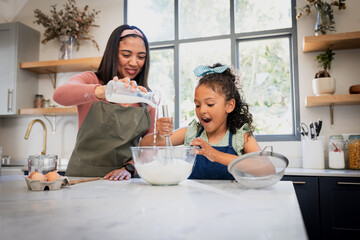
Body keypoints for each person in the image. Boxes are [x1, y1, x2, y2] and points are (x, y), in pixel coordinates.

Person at [53, 25, 156, 180]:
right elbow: (59, 95)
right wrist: (105, 91)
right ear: (112, 54)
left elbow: (149, 148)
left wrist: (128, 168)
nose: (134, 63)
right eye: (126, 54)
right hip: (81, 178)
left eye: (141, 57)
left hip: (124, 181)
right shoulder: (91, 80)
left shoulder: (145, 98)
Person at [140, 63, 275, 179]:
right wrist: (159, 135)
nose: (202, 110)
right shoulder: (192, 133)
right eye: (197, 105)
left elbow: (268, 169)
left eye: (210, 104)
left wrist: (215, 155)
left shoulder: (240, 137)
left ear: (229, 106)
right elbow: (144, 144)